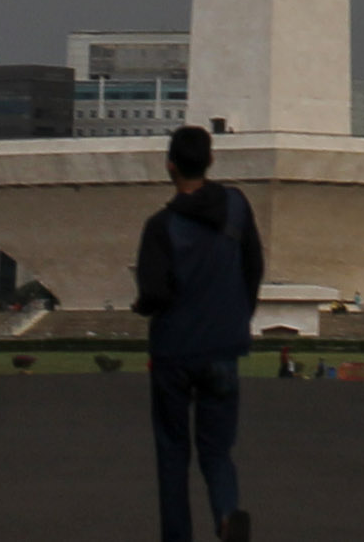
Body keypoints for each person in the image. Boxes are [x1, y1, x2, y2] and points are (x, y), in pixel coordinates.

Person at [133, 124, 263, 542]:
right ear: (211, 161)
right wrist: (239, 315)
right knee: (217, 450)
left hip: (174, 351)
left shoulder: (161, 226)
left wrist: (144, 306)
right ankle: (226, 515)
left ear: (169, 165)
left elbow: (153, 291)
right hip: (223, 346)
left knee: (173, 453)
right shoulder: (238, 207)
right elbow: (254, 267)